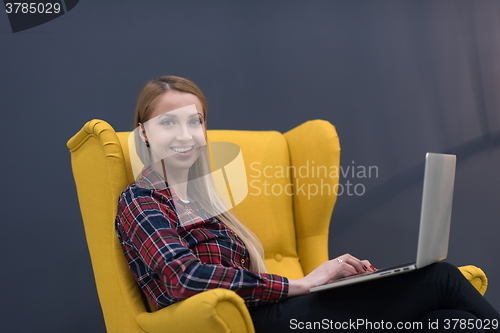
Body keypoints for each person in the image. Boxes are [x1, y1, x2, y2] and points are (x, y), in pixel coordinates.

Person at [116, 75, 500, 332]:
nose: (185, 133)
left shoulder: (203, 203)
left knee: (447, 319)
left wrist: (323, 281)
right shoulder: (142, 199)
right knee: (441, 278)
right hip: (253, 323)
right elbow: (182, 278)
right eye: (168, 122)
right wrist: (298, 285)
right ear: (144, 134)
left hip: (274, 313)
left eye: (194, 121)